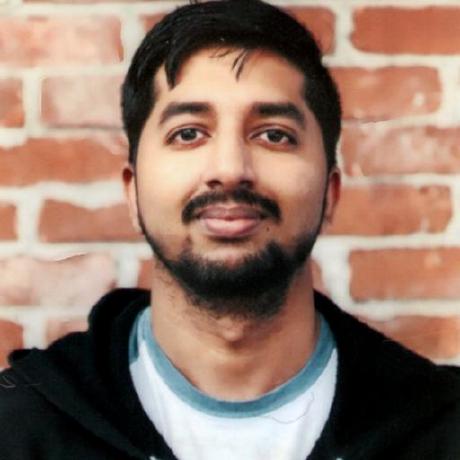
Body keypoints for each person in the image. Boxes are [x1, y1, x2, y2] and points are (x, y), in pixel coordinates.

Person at [0, 1, 459, 459]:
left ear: (330, 193)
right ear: (133, 192)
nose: (230, 169)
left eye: (274, 134)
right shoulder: (19, 429)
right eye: (188, 133)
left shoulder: (443, 429)